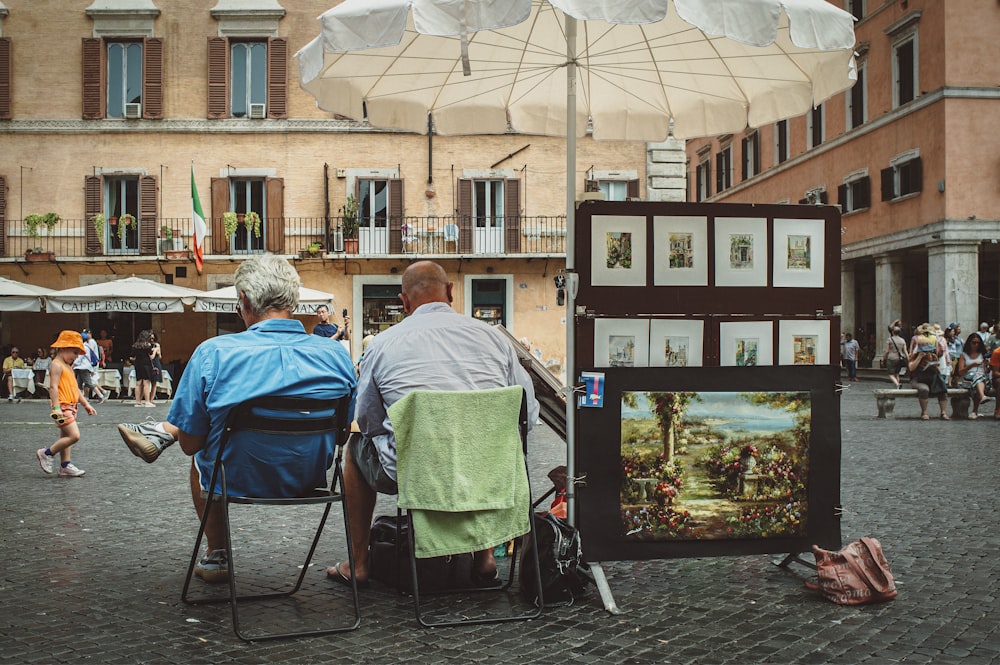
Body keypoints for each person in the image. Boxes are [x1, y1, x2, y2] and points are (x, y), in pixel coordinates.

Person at [116, 255, 357, 583]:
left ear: (242, 300)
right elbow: (343, 436)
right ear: (295, 300)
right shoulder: (336, 357)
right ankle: (160, 431)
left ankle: (218, 554)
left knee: (201, 458)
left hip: (236, 479)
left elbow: (190, 445)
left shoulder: (213, 353)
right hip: (307, 477)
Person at [325, 261, 538, 589]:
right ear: (451, 292)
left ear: (404, 302)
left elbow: (366, 422)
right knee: (479, 447)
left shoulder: (382, 345)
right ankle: (485, 559)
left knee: (355, 450)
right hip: (486, 469)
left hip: (415, 471)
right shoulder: (495, 340)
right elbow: (528, 414)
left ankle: (359, 563)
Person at [35, 331, 97, 477]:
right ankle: (46, 453)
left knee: (66, 436)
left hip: (70, 406)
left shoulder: (67, 366)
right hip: (62, 407)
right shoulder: (57, 365)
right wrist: (56, 408)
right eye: (75, 352)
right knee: (74, 435)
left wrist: (85, 404)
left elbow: (75, 389)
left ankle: (65, 465)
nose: (76, 357)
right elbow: (53, 387)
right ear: (63, 348)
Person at [907, 324, 950, 420]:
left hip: (931, 377)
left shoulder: (933, 355)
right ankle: (924, 412)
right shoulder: (914, 356)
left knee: (942, 388)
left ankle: (943, 412)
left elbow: (938, 369)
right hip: (918, 379)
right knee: (924, 389)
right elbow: (911, 368)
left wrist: (934, 365)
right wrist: (919, 357)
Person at [956, 333, 989, 419]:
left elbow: (986, 371)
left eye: (978, 343)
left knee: (978, 379)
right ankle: (981, 398)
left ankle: (975, 411)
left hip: (981, 377)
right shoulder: (964, 355)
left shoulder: (982, 354)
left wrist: (987, 366)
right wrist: (972, 365)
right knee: (976, 377)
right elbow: (960, 372)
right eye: (973, 343)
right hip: (967, 377)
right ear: (969, 343)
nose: (976, 345)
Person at [73, 329, 109, 404]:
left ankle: (101, 395)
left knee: (89, 383)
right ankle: (79, 398)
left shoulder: (85, 346)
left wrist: (73, 365)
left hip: (84, 367)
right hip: (82, 367)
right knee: (79, 383)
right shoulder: (86, 345)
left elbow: (80, 358)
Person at [130, 330, 155, 407]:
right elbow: (151, 356)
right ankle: (147, 401)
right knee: (146, 383)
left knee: (138, 383)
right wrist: (155, 351)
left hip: (138, 365)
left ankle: (138, 401)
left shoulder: (135, 346)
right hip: (146, 365)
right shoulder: (147, 345)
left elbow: (132, 357)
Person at [883, 322, 907, 388]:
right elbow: (905, 351)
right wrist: (908, 358)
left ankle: (897, 384)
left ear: (893, 332)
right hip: (899, 358)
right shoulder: (902, 340)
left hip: (891, 358)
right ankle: (897, 387)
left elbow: (887, 351)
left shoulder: (890, 339)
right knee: (897, 374)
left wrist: (883, 358)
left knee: (891, 374)